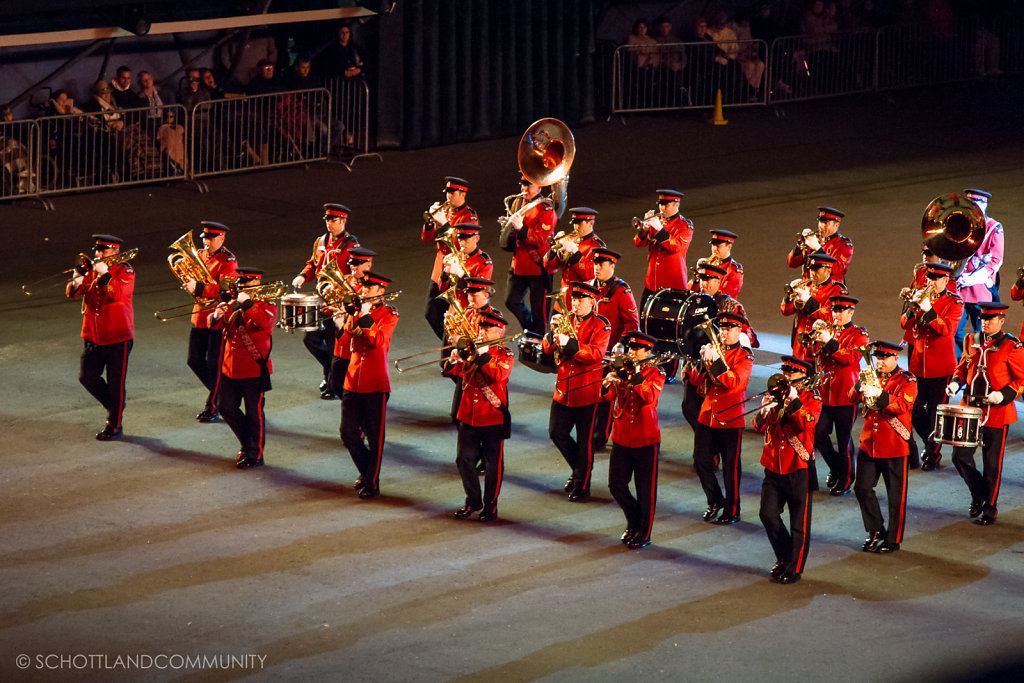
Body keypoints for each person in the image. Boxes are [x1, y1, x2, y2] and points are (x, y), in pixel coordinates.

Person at [946, 302, 1024, 526]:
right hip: (971, 409)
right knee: (959, 457)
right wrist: (955, 382)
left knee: (991, 464)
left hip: (996, 411)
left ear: (1001, 321)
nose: (985, 323)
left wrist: (1004, 395)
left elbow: (1022, 379)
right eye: (982, 319)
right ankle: (978, 494)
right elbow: (963, 366)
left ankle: (990, 508)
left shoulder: (1012, 346)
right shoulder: (972, 340)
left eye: (990, 320)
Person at [754, 356, 822, 584]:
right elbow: (757, 426)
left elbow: (807, 424)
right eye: (785, 372)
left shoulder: (811, 399)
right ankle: (784, 556)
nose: (787, 377)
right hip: (773, 464)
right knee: (767, 514)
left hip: (797, 467)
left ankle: (794, 567)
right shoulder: (775, 395)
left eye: (792, 373)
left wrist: (794, 403)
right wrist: (764, 411)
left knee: (799, 524)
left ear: (804, 377)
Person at [542, 282, 612, 502]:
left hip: (586, 392)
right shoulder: (566, 320)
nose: (576, 304)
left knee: (585, 442)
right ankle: (580, 471)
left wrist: (571, 343)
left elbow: (596, 354)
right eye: (574, 299)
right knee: (556, 432)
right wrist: (553, 335)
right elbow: (547, 349)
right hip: (564, 388)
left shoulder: (601, 325)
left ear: (592, 302)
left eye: (581, 300)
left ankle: (583, 486)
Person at [445, 309, 514, 522]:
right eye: (481, 328)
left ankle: (490, 505)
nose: (482, 333)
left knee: (493, 466)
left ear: (499, 332)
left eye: (488, 329)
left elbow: (497, 375)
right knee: (463, 459)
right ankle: (473, 500)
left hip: (492, 417)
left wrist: (483, 354)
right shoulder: (471, 350)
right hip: (468, 415)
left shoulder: (505, 354)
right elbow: (453, 372)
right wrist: (453, 360)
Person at [65, 234, 135, 440]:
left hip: (117, 336)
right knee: (87, 377)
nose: (98, 254)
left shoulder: (126, 270)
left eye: (103, 250)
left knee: (116, 383)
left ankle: (114, 424)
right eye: (97, 250)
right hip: (93, 334)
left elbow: (118, 294)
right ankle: (116, 405)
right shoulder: (93, 269)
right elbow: (72, 293)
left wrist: (104, 275)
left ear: (115, 251)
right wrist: (77, 279)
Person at [852, 341, 917, 554]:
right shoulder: (871, 375)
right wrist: (858, 386)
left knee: (895, 496)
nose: (879, 362)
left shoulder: (907, 380)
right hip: (869, 443)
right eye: (877, 358)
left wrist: (879, 394)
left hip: (894, 445)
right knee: (861, 488)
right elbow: (850, 398)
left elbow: (902, 405)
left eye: (884, 358)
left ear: (895, 359)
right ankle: (876, 530)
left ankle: (893, 539)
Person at [602, 332, 666, 549]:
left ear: (648, 352)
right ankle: (634, 519)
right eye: (631, 348)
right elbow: (610, 397)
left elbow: (650, 398)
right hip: (621, 436)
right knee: (616, 485)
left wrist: (635, 375)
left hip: (645, 438)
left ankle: (644, 533)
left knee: (645, 490)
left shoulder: (656, 372)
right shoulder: (621, 368)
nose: (632, 352)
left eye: (637, 349)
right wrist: (607, 383)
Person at [339, 272, 399, 499]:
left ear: (380, 291)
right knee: (348, 433)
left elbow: (378, 342)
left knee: (375, 438)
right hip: (352, 381)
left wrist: (364, 318)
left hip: (375, 383)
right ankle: (367, 472)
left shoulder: (389, 314)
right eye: (362, 287)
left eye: (368, 288)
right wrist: (343, 322)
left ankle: (372, 482)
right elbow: (345, 344)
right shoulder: (355, 310)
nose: (363, 291)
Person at [292, 203, 361, 398]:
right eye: (328, 220)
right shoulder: (320, 241)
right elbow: (313, 264)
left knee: (333, 345)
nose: (329, 224)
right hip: (320, 301)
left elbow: (356, 274)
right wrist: (303, 276)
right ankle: (331, 373)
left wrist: (339, 287)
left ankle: (333, 386)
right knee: (310, 340)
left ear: (343, 221)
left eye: (333, 220)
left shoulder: (352, 246)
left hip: (338, 305)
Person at [690, 311, 754, 525]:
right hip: (707, 414)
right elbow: (694, 380)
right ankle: (715, 500)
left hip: (730, 419)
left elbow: (735, 384)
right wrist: (700, 360)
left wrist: (716, 363)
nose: (723, 333)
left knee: (730, 468)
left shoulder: (744, 357)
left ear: (739, 331)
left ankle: (732, 510)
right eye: (722, 329)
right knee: (701, 462)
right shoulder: (714, 350)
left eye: (728, 329)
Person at [210, 267, 277, 469]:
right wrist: (215, 315)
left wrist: (247, 304)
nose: (240, 287)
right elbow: (215, 326)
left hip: (253, 368)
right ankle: (248, 443)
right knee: (225, 407)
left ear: (255, 285)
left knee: (253, 413)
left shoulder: (267, 305)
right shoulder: (232, 303)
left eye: (245, 284)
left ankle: (255, 454)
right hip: (231, 366)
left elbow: (265, 325)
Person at [900, 262, 963, 470]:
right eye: (929, 279)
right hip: (918, 365)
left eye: (935, 279)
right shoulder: (921, 296)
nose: (931, 283)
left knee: (937, 412)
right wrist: (912, 308)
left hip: (941, 368)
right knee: (915, 410)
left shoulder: (954, 303)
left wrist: (929, 311)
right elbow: (903, 324)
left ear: (946, 281)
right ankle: (931, 440)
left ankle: (932, 453)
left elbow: (947, 330)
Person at [809, 295, 868, 495]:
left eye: (841, 311)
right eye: (834, 310)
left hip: (845, 395)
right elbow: (814, 355)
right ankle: (837, 468)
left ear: (850, 313)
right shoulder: (827, 330)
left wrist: (829, 341)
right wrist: (817, 340)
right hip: (825, 394)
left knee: (844, 440)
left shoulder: (859, 334)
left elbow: (850, 358)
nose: (836, 314)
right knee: (818, 434)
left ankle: (846, 479)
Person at [180, 221, 238, 423]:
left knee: (214, 364)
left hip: (218, 318)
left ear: (222, 238)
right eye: (204, 238)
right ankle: (222, 395)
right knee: (194, 360)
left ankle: (212, 405)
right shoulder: (202, 255)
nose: (206, 242)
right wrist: (188, 282)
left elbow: (226, 291)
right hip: (200, 315)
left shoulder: (228, 261)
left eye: (211, 238)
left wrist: (199, 288)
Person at [591, 248, 640, 447]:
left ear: (612, 266)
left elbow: (632, 322)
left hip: (610, 353)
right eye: (595, 264)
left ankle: (600, 436)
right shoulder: (591, 287)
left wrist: (621, 344)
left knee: (605, 396)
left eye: (601, 265)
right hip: (593, 349)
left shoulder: (621, 291)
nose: (596, 268)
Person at [421, 176, 479, 340]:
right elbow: (427, 238)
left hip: (458, 269)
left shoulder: (469, 217)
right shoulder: (445, 211)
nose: (448, 196)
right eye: (447, 192)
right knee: (431, 312)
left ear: (463, 194)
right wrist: (430, 223)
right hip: (440, 269)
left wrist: (445, 223)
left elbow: (462, 245)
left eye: (452, 193)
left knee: (456, 314)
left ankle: (454, 348)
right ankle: (453, 344)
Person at [503, 174, 558, 335]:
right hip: (519, 264)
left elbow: (541, 240)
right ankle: (531, 331)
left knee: (539, 313)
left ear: (539, 187)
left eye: (528, 186)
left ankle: (540, 342)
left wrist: (521, 229)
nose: (524, 189)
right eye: (523, 185)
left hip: (539, 267)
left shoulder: (546, 208)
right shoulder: (517, 203)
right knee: (511, 301)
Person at [954, 189, 1004, 358]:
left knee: (982, 332)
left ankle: (978, 362)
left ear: (983, 206)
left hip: (980, 289)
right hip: (960, 288)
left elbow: (996, 260)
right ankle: (966, 361)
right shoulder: (960, 225)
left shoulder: (994, 228)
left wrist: (972, 279)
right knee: (953, 330)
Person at [780, 252, 848, 362]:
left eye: (816, 269)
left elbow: (832, 317)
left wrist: (809, 301)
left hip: (818, 350)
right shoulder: (806, 286)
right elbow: (785, 311)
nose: (812, 273)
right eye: (811, 269)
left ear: (828, 270)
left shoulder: (837, 291)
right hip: (799, 348)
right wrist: (789, 297)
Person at [633, 189, 693, 309]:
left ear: (676, 205)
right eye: (661, 204)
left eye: (666, 205)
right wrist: (644, 229)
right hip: (652, 283)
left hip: (673, 285)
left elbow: (676, 247)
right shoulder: (657, 221)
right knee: (644, 321)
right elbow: (638, 243)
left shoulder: (684, 226)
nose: (662, 208)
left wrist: (660, 229)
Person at [327, 246, 375, 396]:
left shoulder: (372, 288)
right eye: (352, 263)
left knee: (354, 391)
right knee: (337, 385)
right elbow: (332, 304)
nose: (353, 267)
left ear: (368, 265)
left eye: (357, 264)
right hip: (341, 346)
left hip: (356, 346)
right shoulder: (345, 281)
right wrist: (330, 307)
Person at [543, 207, 606, 311]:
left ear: (590, 223)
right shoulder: (569, 238)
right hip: (563, 301)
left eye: (580, 224)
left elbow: (588, 275)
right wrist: (553, 250)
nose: (576, 227)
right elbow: (549, 267)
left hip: (582, 304)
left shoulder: (597, 246)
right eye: (574, 223)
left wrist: (575, 253)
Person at [787, 207, 853, 284]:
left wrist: (818, 249)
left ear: (836, 225)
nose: (821, 226)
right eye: (820, 222)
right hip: (809, 290)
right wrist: (799, 246)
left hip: (830, 291)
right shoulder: (814, 239)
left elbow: (837, 268)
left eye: (825, 223)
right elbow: (792, 263)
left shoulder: (844, 245)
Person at [437, 223, 494, 311]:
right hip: (454, 308)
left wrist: (461, 274)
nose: (462, 243)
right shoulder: (456, 257)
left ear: (476, 238)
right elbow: (442, 288)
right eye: (460, 239)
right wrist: (446, 272)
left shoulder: (483, 262)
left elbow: (479, 293)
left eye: (466, 239)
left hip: (472, 309)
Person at [689, 229, 743, 298]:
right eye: (713, 245)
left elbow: (728, 296)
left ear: (729, 247)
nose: (714, 249)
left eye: (718, 246)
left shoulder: (734, 269)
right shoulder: (707, 263)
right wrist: (696, 280)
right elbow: (691, 291)